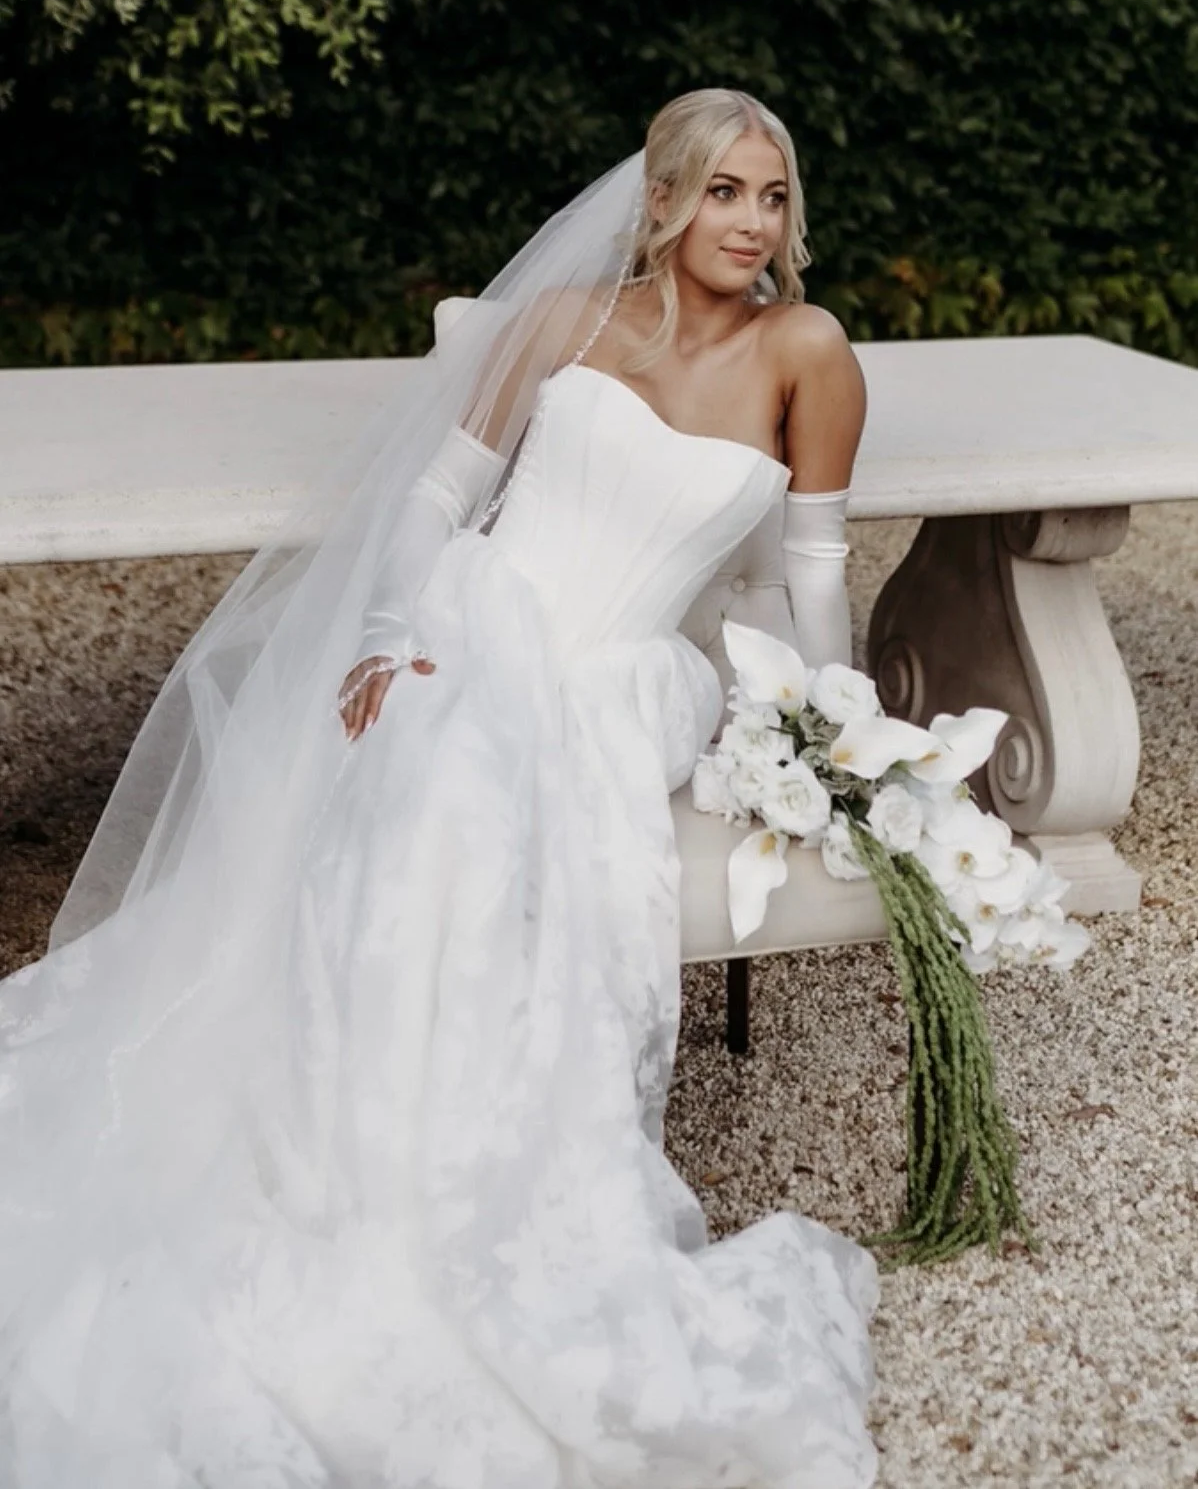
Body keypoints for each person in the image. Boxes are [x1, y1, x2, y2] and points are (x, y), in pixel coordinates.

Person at [0, 88, 878, 1487]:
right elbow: (434, 498)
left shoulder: (806, 352)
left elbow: (812, 577)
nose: (750, 223)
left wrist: (835, 742)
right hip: (462, 616)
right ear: (661, 199)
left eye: (771, 197)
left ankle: (437, 1192)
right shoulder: (556, 323)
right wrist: (386, 641)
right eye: (723, 191)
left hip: (614, 679)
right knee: (426, 763)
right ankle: (333, 1159)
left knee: (473, 795)